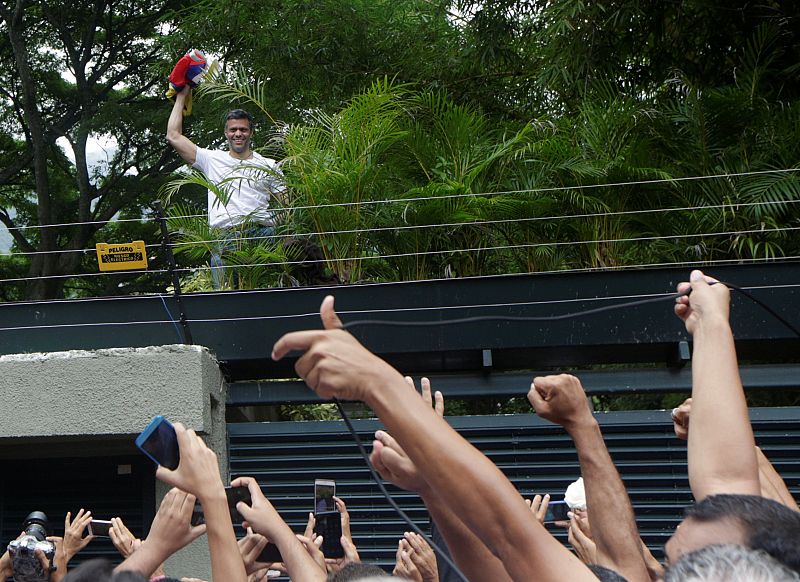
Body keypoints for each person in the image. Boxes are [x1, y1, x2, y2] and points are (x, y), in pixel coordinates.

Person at [166, 87, 285, 289]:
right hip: (225, 236)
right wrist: (181, 96)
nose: (238, 133)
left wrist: (277, 227)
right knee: (224, 288)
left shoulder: (269, 165)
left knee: (273, 286)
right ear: (226, 133)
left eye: (243, 129)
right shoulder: (211, 159)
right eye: (233, 130)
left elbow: (288, 205)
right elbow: (173, 136)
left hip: (263, 234)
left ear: (251, 133)